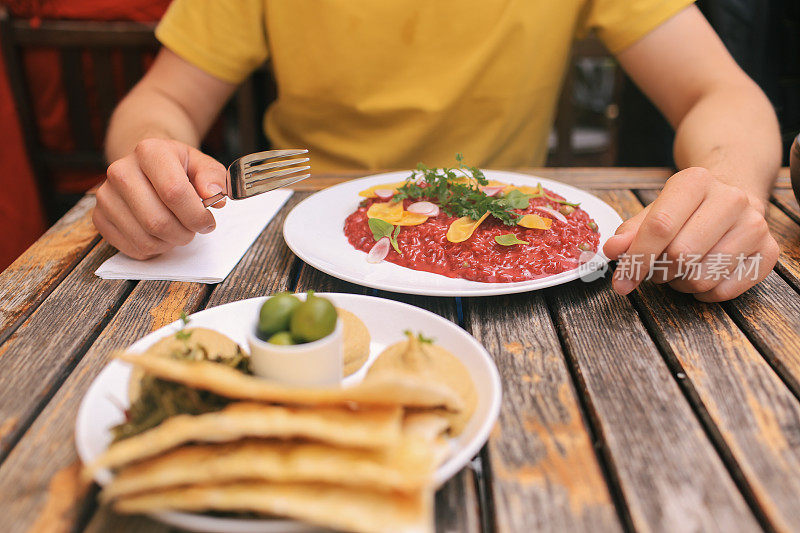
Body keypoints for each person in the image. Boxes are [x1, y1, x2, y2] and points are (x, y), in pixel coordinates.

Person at [95, 0, 781, 302]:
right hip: (286, 258)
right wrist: (153, 160)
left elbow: (721, 93)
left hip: (531, 279)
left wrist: (727, 187)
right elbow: (162, 102)